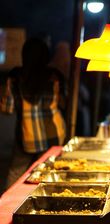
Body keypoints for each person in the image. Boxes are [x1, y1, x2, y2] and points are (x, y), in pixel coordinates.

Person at [0, 37, 67, 188]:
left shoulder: (14, 77)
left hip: (26, 138)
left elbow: (7, 109)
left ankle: (7, 207)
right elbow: (63, 103)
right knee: (51, 174)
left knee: (15, 174)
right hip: (54, 137)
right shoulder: (55, 76)